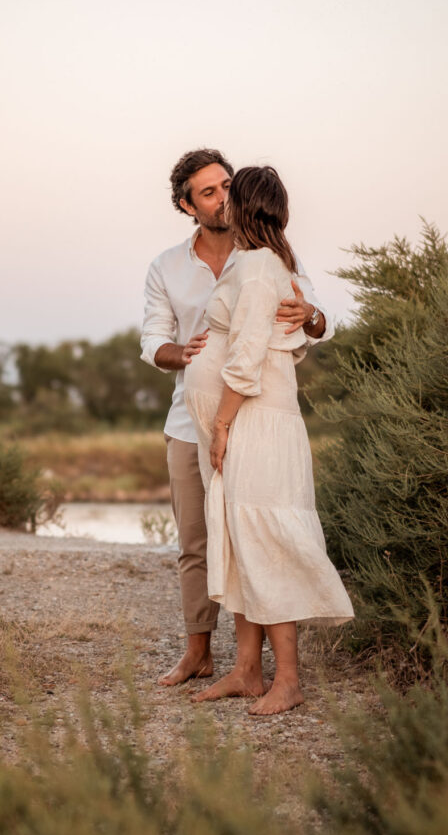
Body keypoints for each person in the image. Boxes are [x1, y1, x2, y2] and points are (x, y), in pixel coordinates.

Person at [140, 148, 333, 687]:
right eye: (208, 191)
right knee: (199, 542)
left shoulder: (267, 259)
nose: (221, 196)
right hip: (188, 421)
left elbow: (308, 321)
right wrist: (183, 354)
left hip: (245, 418)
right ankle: (202, 653)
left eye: (226, 185)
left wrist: (311, 316)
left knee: (251, 533)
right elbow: (152, 338)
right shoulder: (168, 266)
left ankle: (264, 670)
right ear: (187, 205)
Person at [183, 165, 354, 715]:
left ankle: (289, 680)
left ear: (244, 207)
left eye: (231, 192)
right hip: (256, 422)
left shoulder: (258, 268)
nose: (223, 200)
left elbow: (251, 354)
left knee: (264, 543)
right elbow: (278, 340)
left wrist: (224, 424)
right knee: (240, 537)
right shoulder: (261, 263)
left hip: (255, 425)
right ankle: (247, 670)